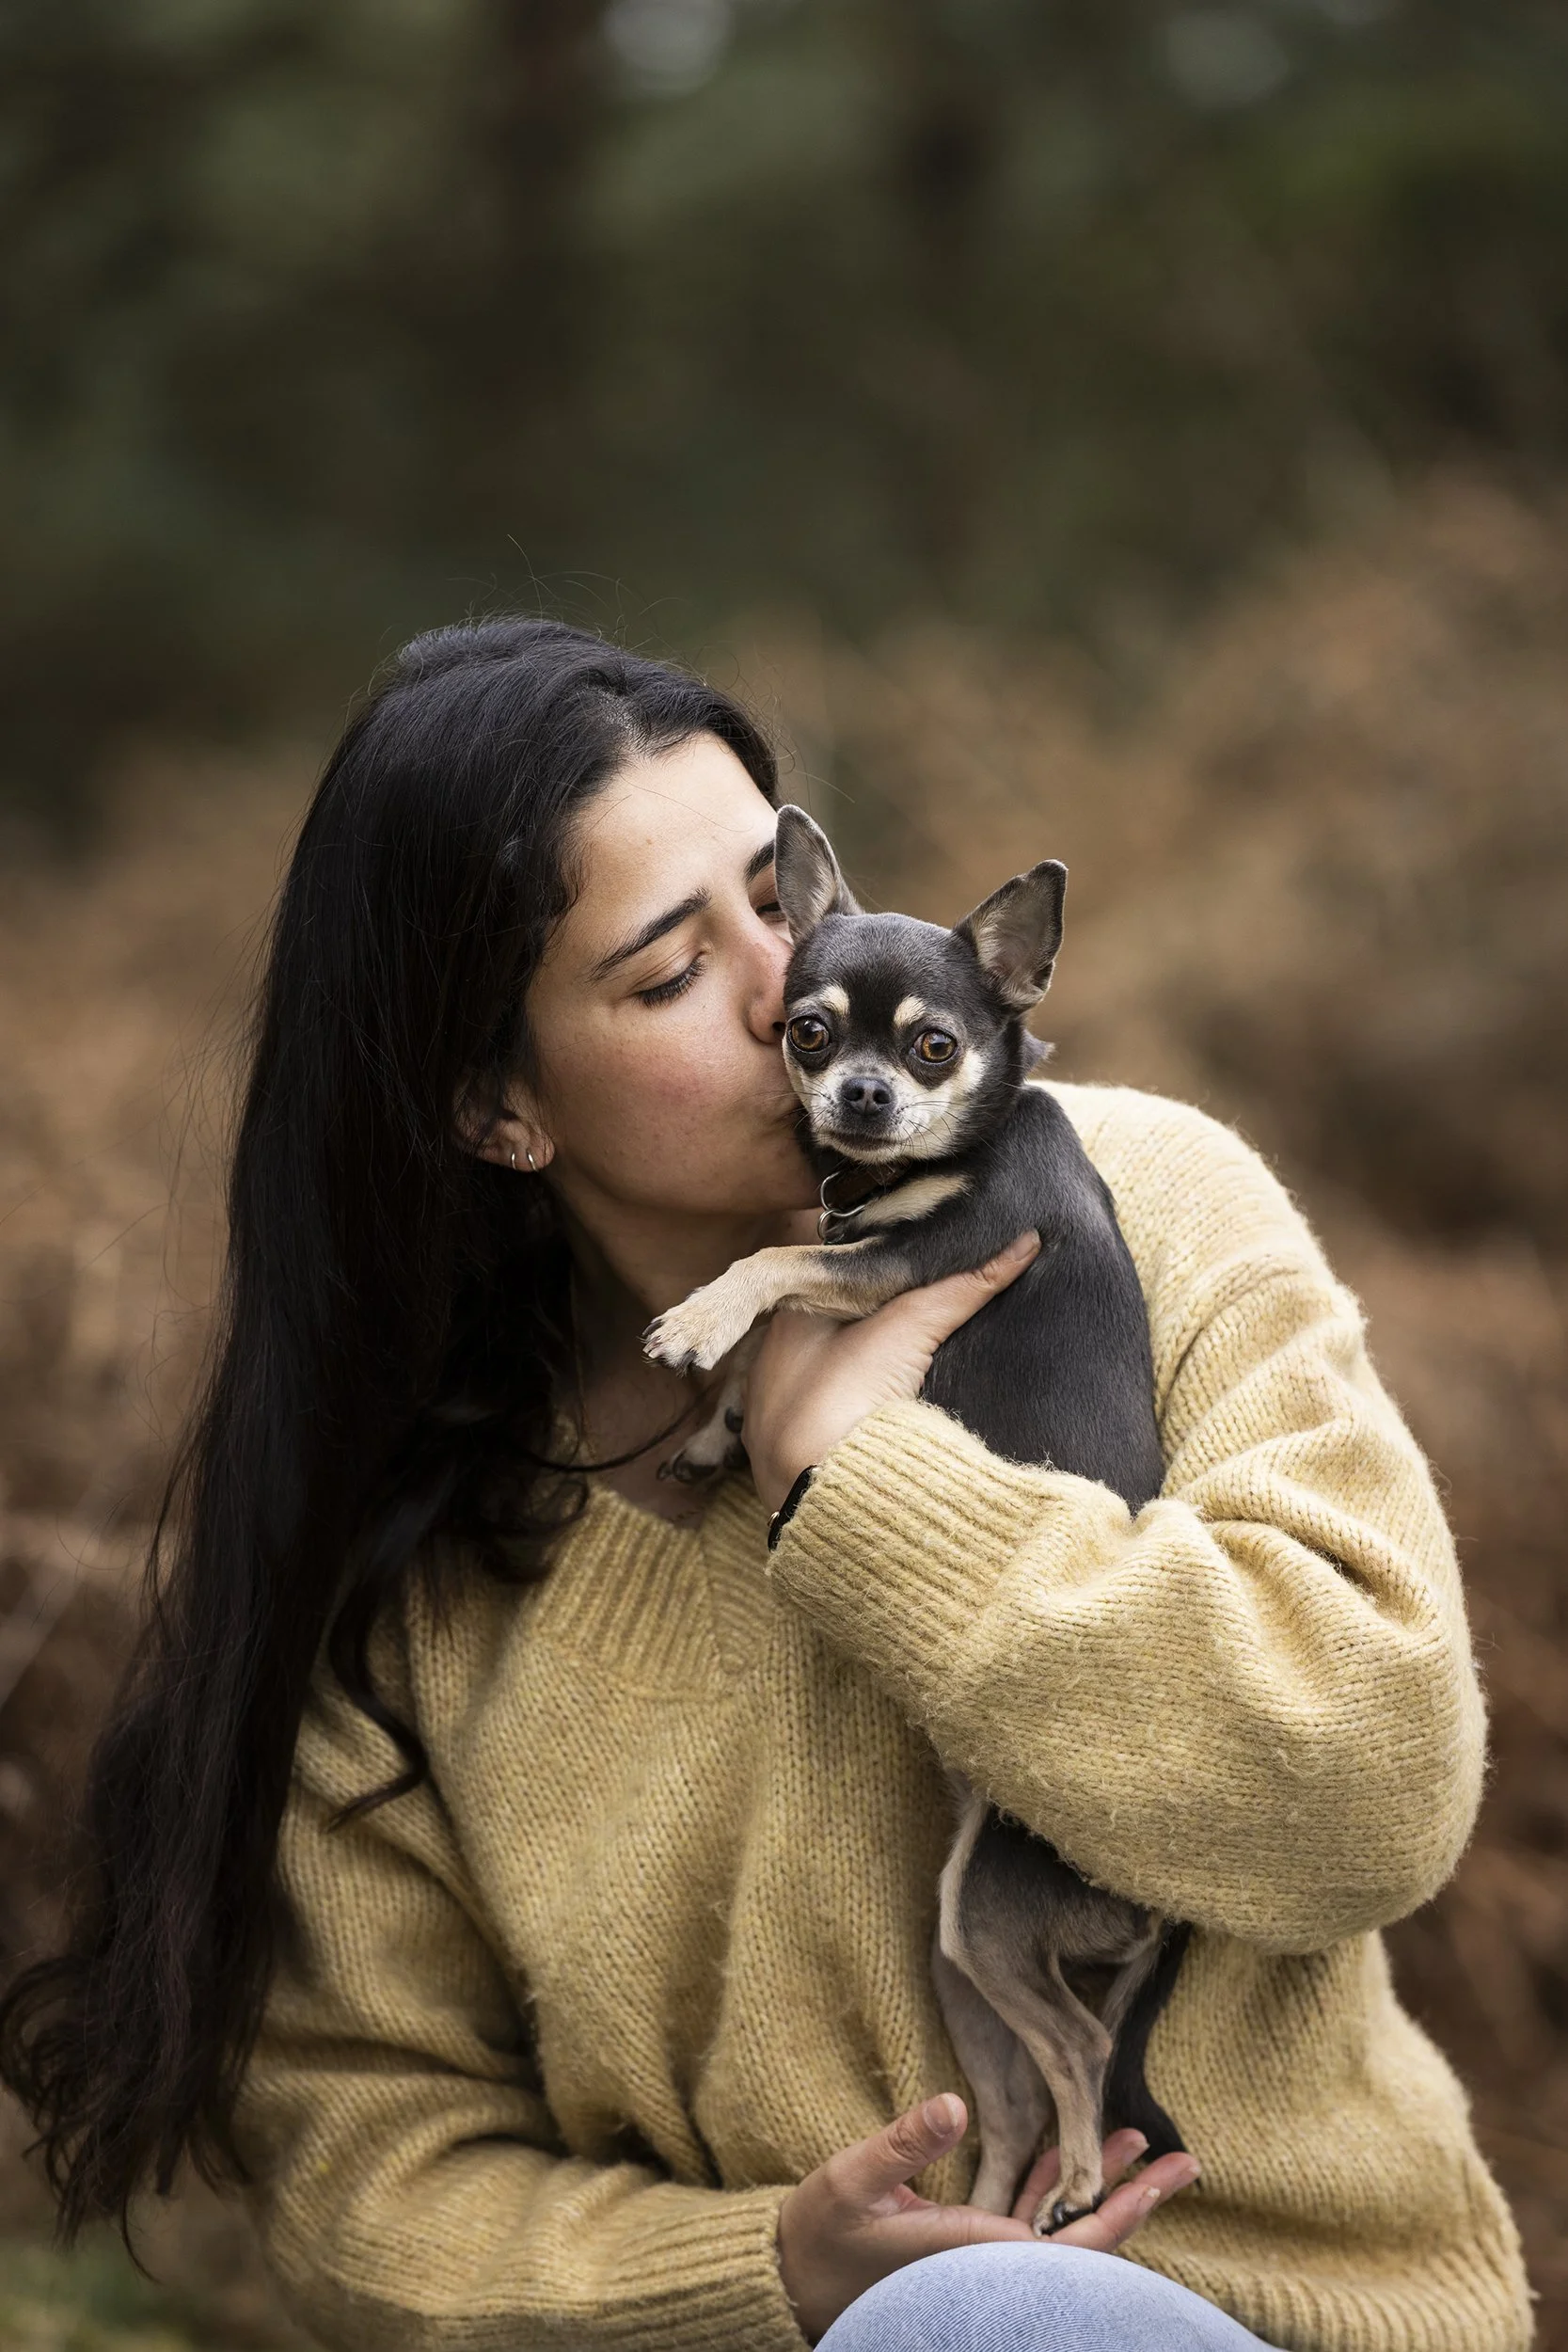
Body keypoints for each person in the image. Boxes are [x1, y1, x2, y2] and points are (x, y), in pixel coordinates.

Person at [0, 621, 1531, 2351]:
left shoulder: (1143, 1203)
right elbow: (373, 2184)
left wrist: (867, 1488)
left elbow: (1377, 1783)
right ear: (497, 1110)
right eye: (666, 976)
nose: (783, 993)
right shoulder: (417, 1592)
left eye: (776, 901)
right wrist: (773, 2276)